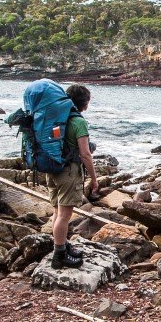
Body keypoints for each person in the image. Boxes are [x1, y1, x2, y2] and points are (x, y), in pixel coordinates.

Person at [49, 84, 99, 269]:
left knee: (57, 211)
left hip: (53, 169)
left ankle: (61, 245)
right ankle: (59, 255)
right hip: (68, 172)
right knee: (64, 215)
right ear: (85, 103)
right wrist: (94, 179)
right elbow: (85, 154)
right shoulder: (78, 122)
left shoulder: (58, 117)